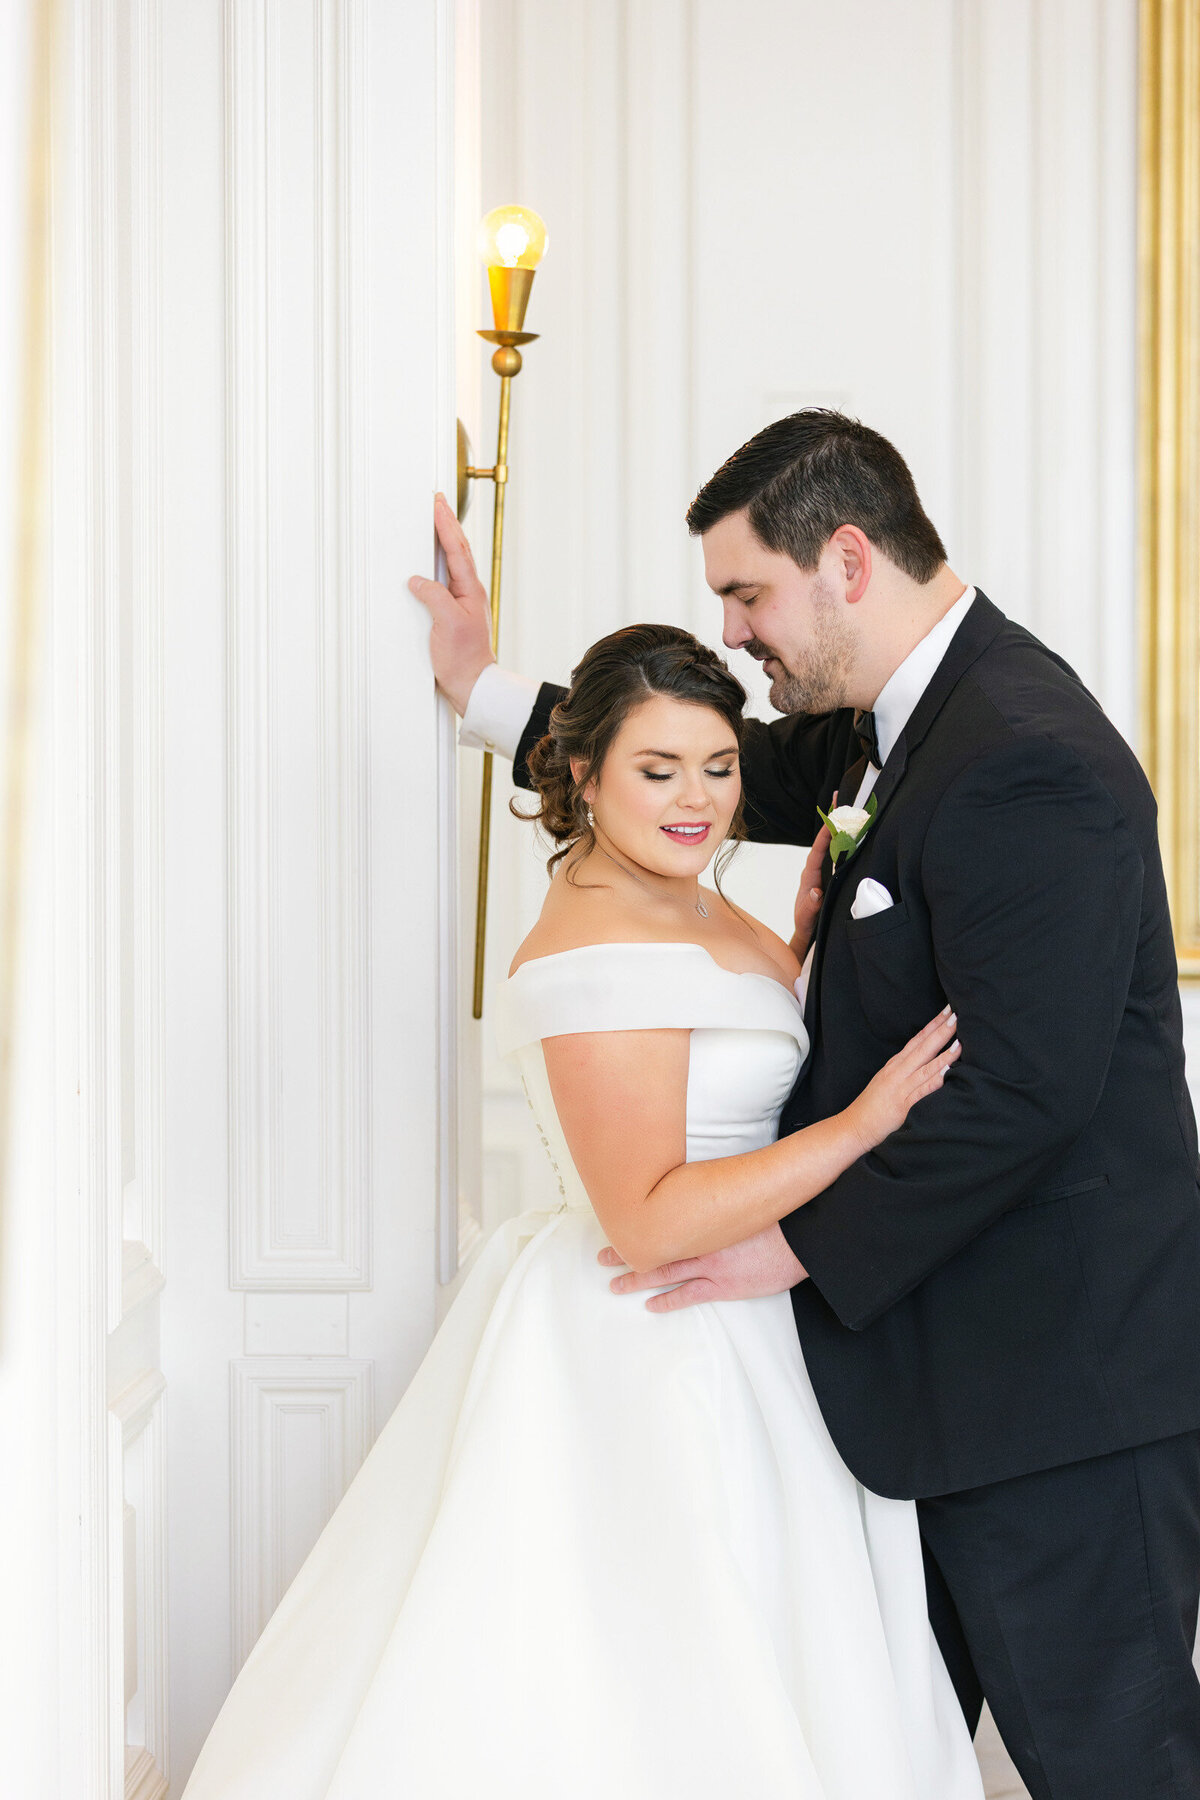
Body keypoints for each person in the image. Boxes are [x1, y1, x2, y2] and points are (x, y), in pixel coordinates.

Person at [411, 410, 1200, 1800]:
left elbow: (1029, 1093)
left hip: (1059, 1390)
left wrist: (796, 1246)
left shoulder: (1026, 754)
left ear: (846, 561)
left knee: (1113, 1761)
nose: (735, 633)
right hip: (924, 1378)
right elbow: (676, 764)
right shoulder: (875, 727)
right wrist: (488, 690)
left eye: (748, 594)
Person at [181, 622, 981, 1800]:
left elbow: (719, 1053)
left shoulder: (693, 900)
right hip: (657, 1331)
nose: (698, 800)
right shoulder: (596, 941)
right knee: (649, 1662)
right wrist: (862, 1126)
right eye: (658, 772)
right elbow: (652, 1218)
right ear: (583, 770)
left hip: (758, 1317)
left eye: (717, 767)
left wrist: (797, 952)